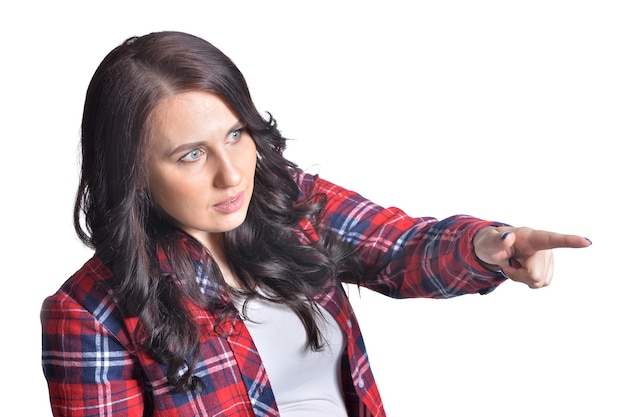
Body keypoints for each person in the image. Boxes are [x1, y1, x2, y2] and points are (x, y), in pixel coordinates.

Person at [40, 30, 591, 417]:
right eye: (190, 155)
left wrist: (490, 245)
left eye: (236, 135)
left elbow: (399, 249)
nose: (232, 174)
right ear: (133, 172)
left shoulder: (291, 203)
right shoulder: (89, 314)